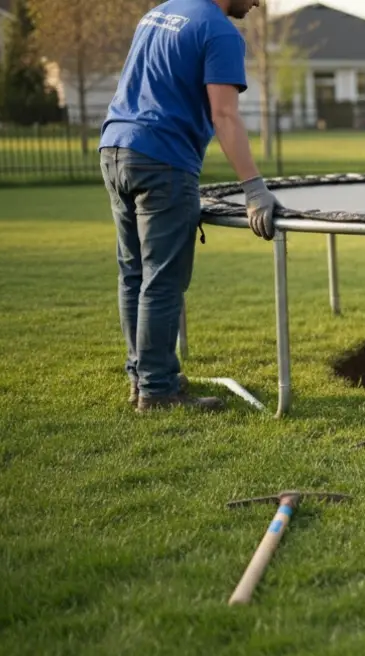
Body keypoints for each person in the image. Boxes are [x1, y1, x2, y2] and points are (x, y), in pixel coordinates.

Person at [99, 0, 280, 412]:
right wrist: (254, 188)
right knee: (162, 280)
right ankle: (158, 391)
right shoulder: (220, 31)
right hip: (162, 159)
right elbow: (225, 115)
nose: (258, 2)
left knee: (133, 274)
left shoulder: (158, 13)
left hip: (115, 149)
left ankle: (143, 376)